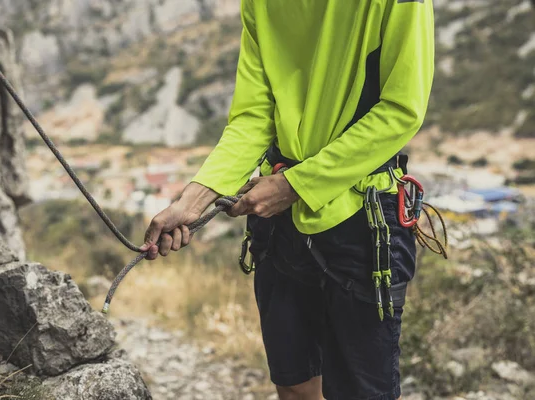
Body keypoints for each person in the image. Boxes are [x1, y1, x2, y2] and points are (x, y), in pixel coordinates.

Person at [141, 0, 434, 399]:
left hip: (362, 218)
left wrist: (295, 185)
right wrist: (192, 202)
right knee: (293, 385)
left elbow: (401, 109)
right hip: (280, 222)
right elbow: (253, 116)